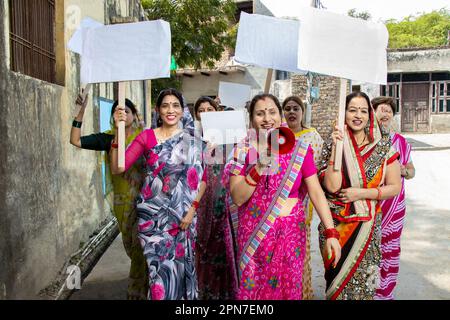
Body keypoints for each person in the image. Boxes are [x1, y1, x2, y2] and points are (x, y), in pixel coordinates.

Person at [223, 93, 341, 300]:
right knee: (254, 293)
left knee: (289, 291)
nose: (267, 118)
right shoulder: (242, 150)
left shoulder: (299, 150)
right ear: (251, 119)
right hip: (255, 237)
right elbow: (238, 197)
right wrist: (259, 166)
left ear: (280, 116)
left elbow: (316, 192)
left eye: (272, 112)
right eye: (260, 113)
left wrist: (331, 232)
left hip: (291, 236)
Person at [110, 88, 205, 300]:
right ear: (157, 110)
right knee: (158, 277)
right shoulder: (147, 137)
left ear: (182, 110)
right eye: (165, 106)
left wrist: (192, 210)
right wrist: (119, 130)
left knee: (180, 271)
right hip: (152, 220)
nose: (170, 110)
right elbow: (119, 167)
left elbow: (202, 179)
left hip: (183, 218)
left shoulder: (193, 139)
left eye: (175, 105)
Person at [318, 91, 402, 300]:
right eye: (352, 110)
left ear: (370, 115)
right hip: (336, 229)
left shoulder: (383, 147)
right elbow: (331, 186)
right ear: (343, 113)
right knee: (336, 285)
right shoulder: (332, 144)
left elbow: (394, 187)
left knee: (365, 287)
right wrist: (338, 147)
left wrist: (361, 194)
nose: (358, 115)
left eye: (363, 111)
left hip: (368, 228)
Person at [70, 94, 147, 300]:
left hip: (147, 202)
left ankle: (138, 293)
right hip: (123, 204)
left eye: (126, 111)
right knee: (133, 249)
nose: (121, 115)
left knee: (142, 250)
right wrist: (80, 111)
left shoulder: (145, 137)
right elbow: (75, 140)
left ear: (134, 115)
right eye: (116, 112)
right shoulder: (108, 138)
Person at [372, 96, 415, 300]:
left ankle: (385, 293)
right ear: (373, 113)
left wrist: (401, 170)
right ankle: (370, 292)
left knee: (390, 250)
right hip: (372, 204)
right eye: (382, 109)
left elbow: (412, 170)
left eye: (389, 111)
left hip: (395, 206)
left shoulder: (401, 142)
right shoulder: (367, 139)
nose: (386, 114)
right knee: (372, 250)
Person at [282, 96, 324, 300]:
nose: (291, 112)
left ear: (302, 112)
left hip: (302, 200)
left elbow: (315, 171)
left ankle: (302, 293)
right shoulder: (278, 136)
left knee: (300, 254)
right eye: (287, 108)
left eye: (295, 108)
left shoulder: (312, 137)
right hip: (275, 204)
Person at [193, 96, 234, 300]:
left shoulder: (229, 139)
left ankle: (225, 294)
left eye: (210, 109)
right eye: (202, 110)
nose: (206, 113)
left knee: (224, 248)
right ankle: (204, 293)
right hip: (200, 203)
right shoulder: (190, 140)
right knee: (203, 248)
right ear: (196, 116)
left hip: (224, 203)